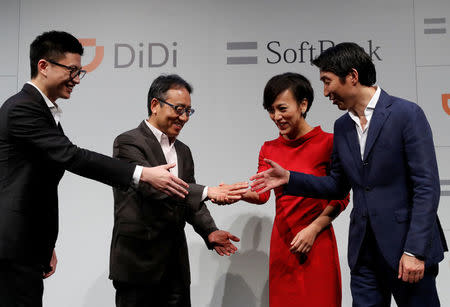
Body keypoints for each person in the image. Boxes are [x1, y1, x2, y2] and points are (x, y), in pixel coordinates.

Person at [0, 31, 189, 306]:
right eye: (72, 70)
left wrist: (44, 245)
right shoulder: (22, 108)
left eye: (80, 72)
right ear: (44, 66)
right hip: (12, 245)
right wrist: (141, 173)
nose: (76, 79)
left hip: (26, 245)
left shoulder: (39, 110)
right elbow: (72, 156)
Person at [251, 43, 448, 307]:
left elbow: (426, 187)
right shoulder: (342, 126)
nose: (325, 92)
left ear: (352, 76)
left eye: (327, 82)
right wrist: (290, 178)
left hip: (407, 250)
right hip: (365, 253)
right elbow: (337, 186)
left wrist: (414, 250)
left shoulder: (406, 114)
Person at [109, 74, 247, 307]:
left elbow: (187, 199)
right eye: (179, 109)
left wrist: (209, 231)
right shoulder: (128, 143)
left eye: (189, 111)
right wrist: (208, 191)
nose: (184, 118)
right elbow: (152, 187)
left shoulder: (184, 151)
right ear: (155, 105)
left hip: (175, 265)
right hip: (138, 264)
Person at [237, 72, 349, 306]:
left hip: (317, 241)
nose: (276, 116)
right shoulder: (268, 148)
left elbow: (341, 197)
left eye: (282, 108)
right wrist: (237, 193)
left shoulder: (329, 143)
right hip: (283, 243)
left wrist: (313, 229)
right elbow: (261, 193)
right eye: (271, 110)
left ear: (303, 104)